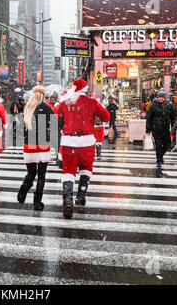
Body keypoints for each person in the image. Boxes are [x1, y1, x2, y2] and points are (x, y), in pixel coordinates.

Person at [57, 78, 110, 219]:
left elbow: (58, 118)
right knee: (86, 168)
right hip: (86, 143)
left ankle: (67, 200)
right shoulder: (91, 102)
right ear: (85, 89)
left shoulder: (65, 102)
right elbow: (106, 116)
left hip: (69, 142)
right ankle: (80, 197)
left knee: (68, 171)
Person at [17, 86, 54, 211]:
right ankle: (37, 202)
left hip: (30, 145)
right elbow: (54, 128)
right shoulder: (48, 109)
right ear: (43, 96)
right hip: (43, 145)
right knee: (41, 176)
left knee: (31, 173)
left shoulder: (27, 109)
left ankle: (23, 191)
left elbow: (20, 129)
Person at [146, 90, 176, 168]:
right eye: (160, 97)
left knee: (167, 144)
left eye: (162, 97)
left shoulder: (169, 105)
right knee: (158, 145)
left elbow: (173, 117)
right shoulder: (153, 106)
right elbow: (149, 118)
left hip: (165, 128)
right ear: (157, 98)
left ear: (164, 98)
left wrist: (173, 128)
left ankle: (160, 156)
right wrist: (148, 130)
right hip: (156, 128)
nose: (161, 99)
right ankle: (159, 161)